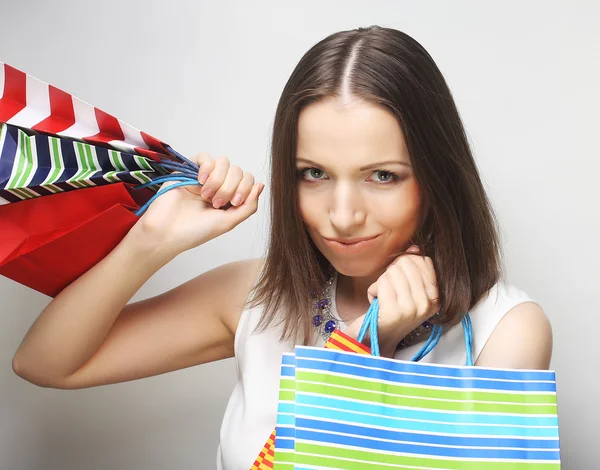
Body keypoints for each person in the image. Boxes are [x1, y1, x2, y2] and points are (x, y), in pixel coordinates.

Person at [11, 26, 553, 470]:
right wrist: (152, 240)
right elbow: (46, 363)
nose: (342, 215)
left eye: (382, 176)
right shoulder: (257, 295)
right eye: (314, 173)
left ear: (437, 178)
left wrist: (367, 350)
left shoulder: (505, 329)